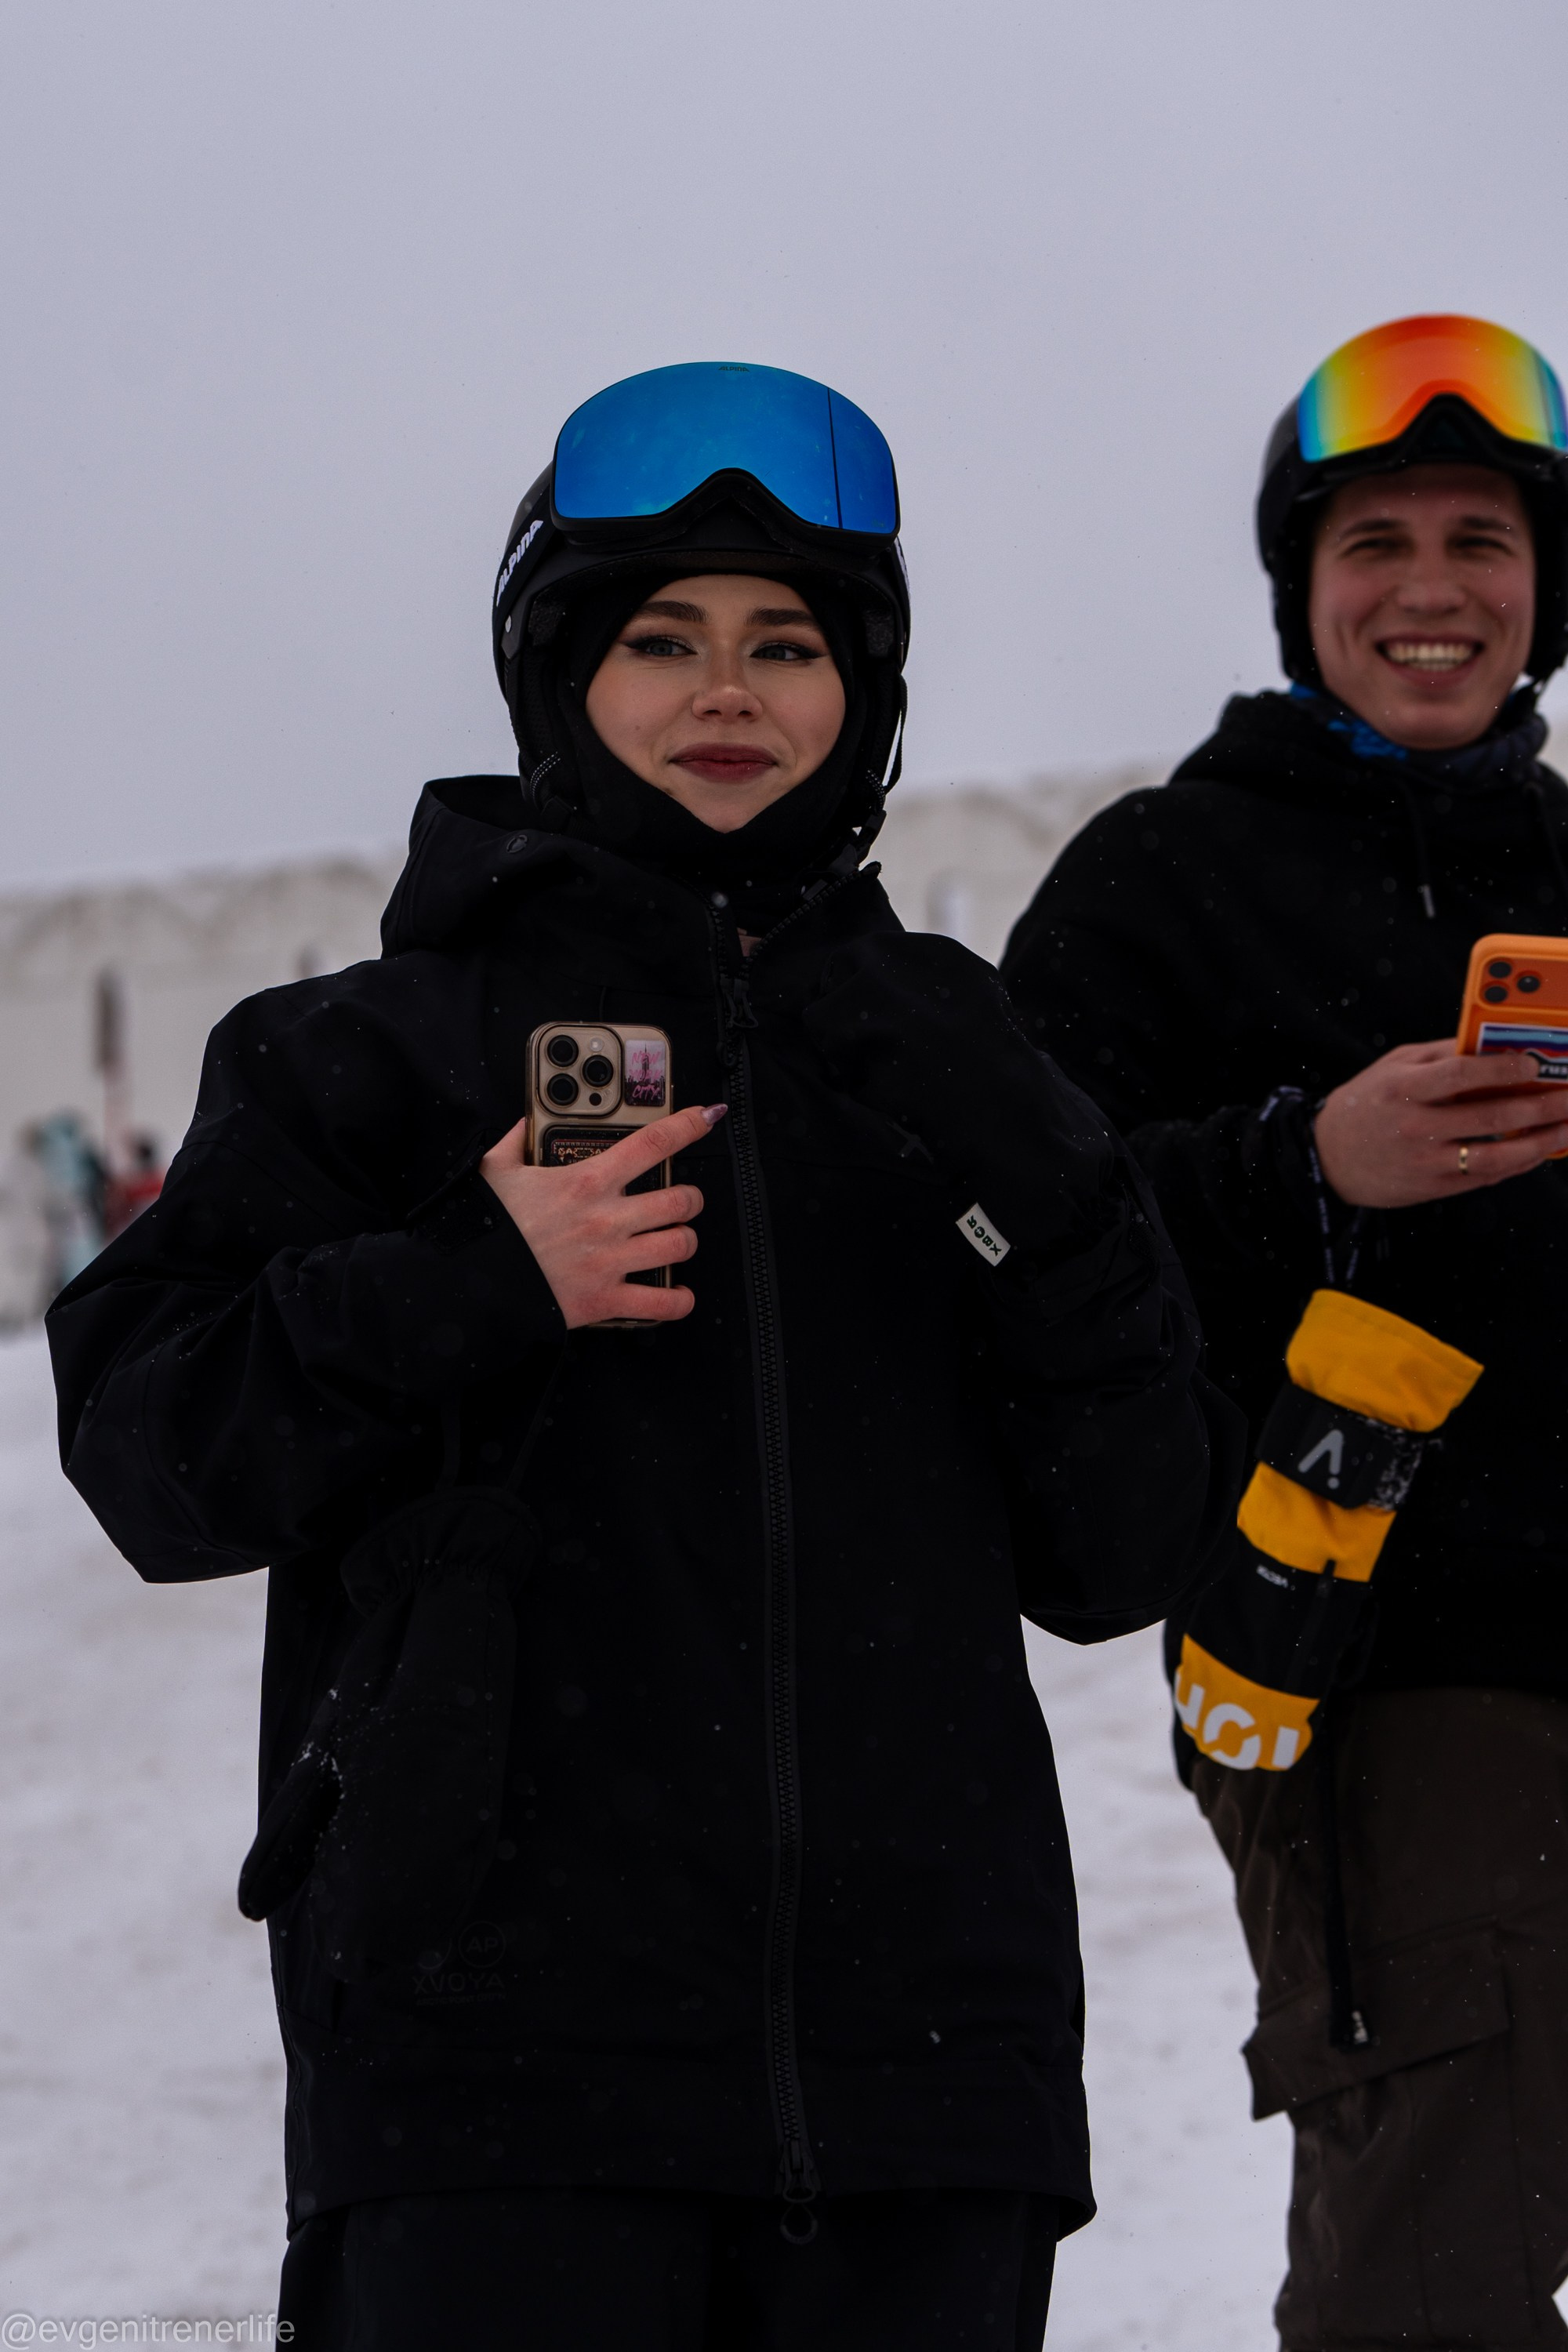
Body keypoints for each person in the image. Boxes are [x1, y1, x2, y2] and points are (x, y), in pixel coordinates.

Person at [47, 361, 1241, 2350]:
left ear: (862, 693)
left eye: (786, 641)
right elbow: (151, 1453)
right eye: (661, 637)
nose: (728, 688)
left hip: (925, 2100)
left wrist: (1060, 1205)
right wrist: (470, 1278)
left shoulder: (954, 1061)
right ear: (553, 677)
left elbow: (1122, 1552)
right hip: (491, 2098)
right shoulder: (362, 1055)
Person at [1002, 314, 1568, 2347]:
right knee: (1442, 2279)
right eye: (1377, 542)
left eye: (1481, 539)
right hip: (1376, 1679)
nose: (1431, 590)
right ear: (1301, 589)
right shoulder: (1160, 881)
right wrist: (1301, 1164)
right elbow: (998, 1240)